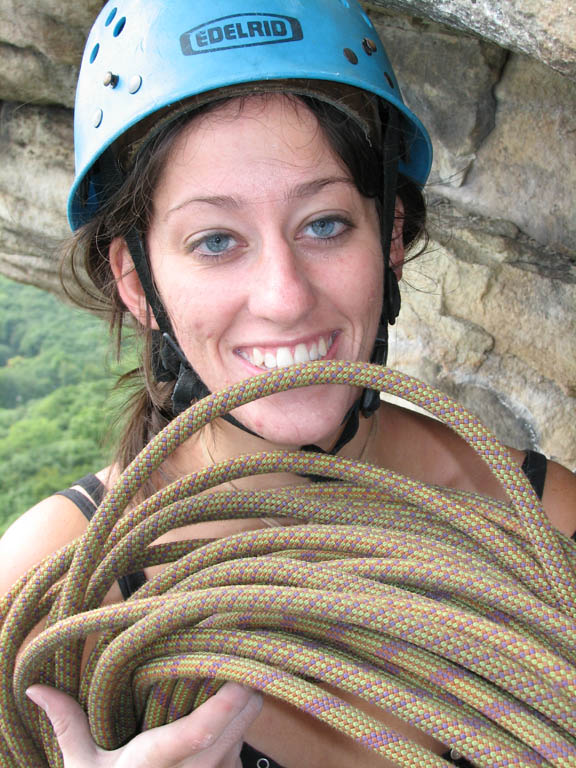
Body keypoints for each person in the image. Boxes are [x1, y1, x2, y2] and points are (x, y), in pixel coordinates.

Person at [1, 0, 575, 766]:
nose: (285, 295)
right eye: (216, 241)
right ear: (138, 282)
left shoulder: (543, 522)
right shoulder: (48, 590)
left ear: (392, 236)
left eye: (326, 224)